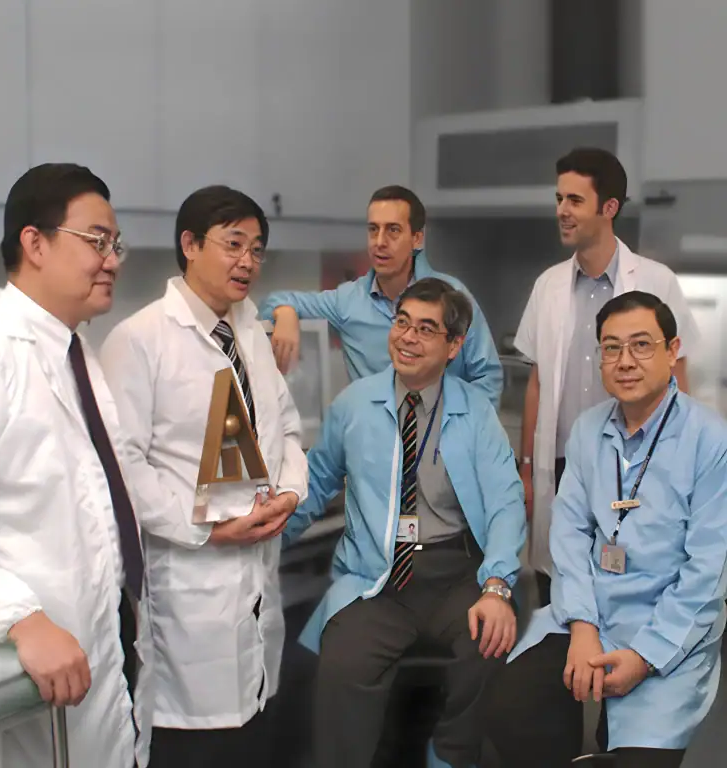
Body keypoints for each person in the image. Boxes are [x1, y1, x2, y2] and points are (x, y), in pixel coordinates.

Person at [99, 185, 308, 768]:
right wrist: (208, 531)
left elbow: (287, 430)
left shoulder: (250, 332)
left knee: (253, 730)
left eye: (257, 249)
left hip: (257, 580)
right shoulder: (139, 341)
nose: (248, 261)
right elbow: (123, 468)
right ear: (190, 245)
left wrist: (290, 493)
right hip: (187, 589)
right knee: (194, 744)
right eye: (233, 244)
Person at [283, 277, 527, 768]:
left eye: (426, 329)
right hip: (378, 576)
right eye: (402, 323)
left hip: (454, 573)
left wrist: (497, 586)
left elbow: (506, 502)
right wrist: (268, 539)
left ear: (454, 346)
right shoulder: (354, 405)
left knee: (489, 642)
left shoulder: (475, 413)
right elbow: (316, 484)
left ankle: (451, 754)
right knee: (342, 664)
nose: (408, 337)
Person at [0, 163, 153, 767]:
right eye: (97, 240)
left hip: (100, 656)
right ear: (35, 244)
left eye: (116, 244)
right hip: (29, 679)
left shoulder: (78, 355)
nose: (112, 260)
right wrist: (22, 620)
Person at [488, 291, 727, 768]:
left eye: (641, 345)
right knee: (511, 708)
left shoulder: (710, 439)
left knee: (639, 755)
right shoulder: (587, 430)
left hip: (667, 626)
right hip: (590, 610)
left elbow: (708, 572)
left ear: (672, 350)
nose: (625, 361)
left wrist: (644, 657)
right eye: (611, 347)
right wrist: (582, 626)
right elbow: (569, 535)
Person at [515, 147, 699, 606]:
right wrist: (527, 470)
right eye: (559, 199)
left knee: (628, 585)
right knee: (558, 585)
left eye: (575, 200)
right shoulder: (548, 286)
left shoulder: (656, 282)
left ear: (609, 207)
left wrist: (675, 467)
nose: (562, 210)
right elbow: (537, 383)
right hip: (562, 466)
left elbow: (677, 378)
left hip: (634, 467)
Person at [258, 185, 503, 408]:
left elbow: (488, 377)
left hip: (443, 438)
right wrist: (286, 313)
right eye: (373, 230)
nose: (380, 242)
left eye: (393, 230)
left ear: (417, 239)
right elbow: (272, 303)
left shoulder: (453, 296)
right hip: (373, 439)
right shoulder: (348, 301)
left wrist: (460, 430)